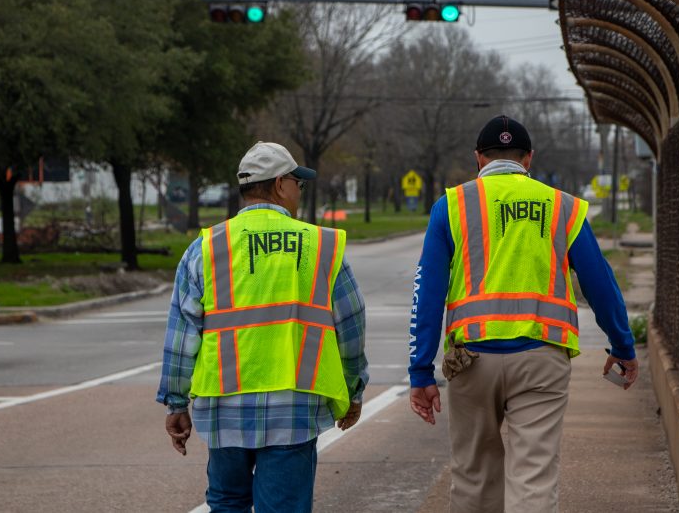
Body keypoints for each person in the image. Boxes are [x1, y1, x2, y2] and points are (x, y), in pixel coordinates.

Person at [408, 115, 638, 513]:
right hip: (542, 359)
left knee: (474, 476)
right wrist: (623, 344)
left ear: (478, 158)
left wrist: (420, 370)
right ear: (528, 159)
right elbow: (600, 282)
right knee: (533, 479)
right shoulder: (562, 206)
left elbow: (426, 293)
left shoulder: (451, 206)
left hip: (471, 359)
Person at [157, 141, 368, 513]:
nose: (298, 194)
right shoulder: (318, 245)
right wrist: (352, 390)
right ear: (281, 184)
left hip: (224, 407)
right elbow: (350, 325)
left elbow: (181, 335)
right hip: (294, 406)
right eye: (298, 185)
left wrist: (176, 401)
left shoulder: (206, 248)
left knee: (227, 504)